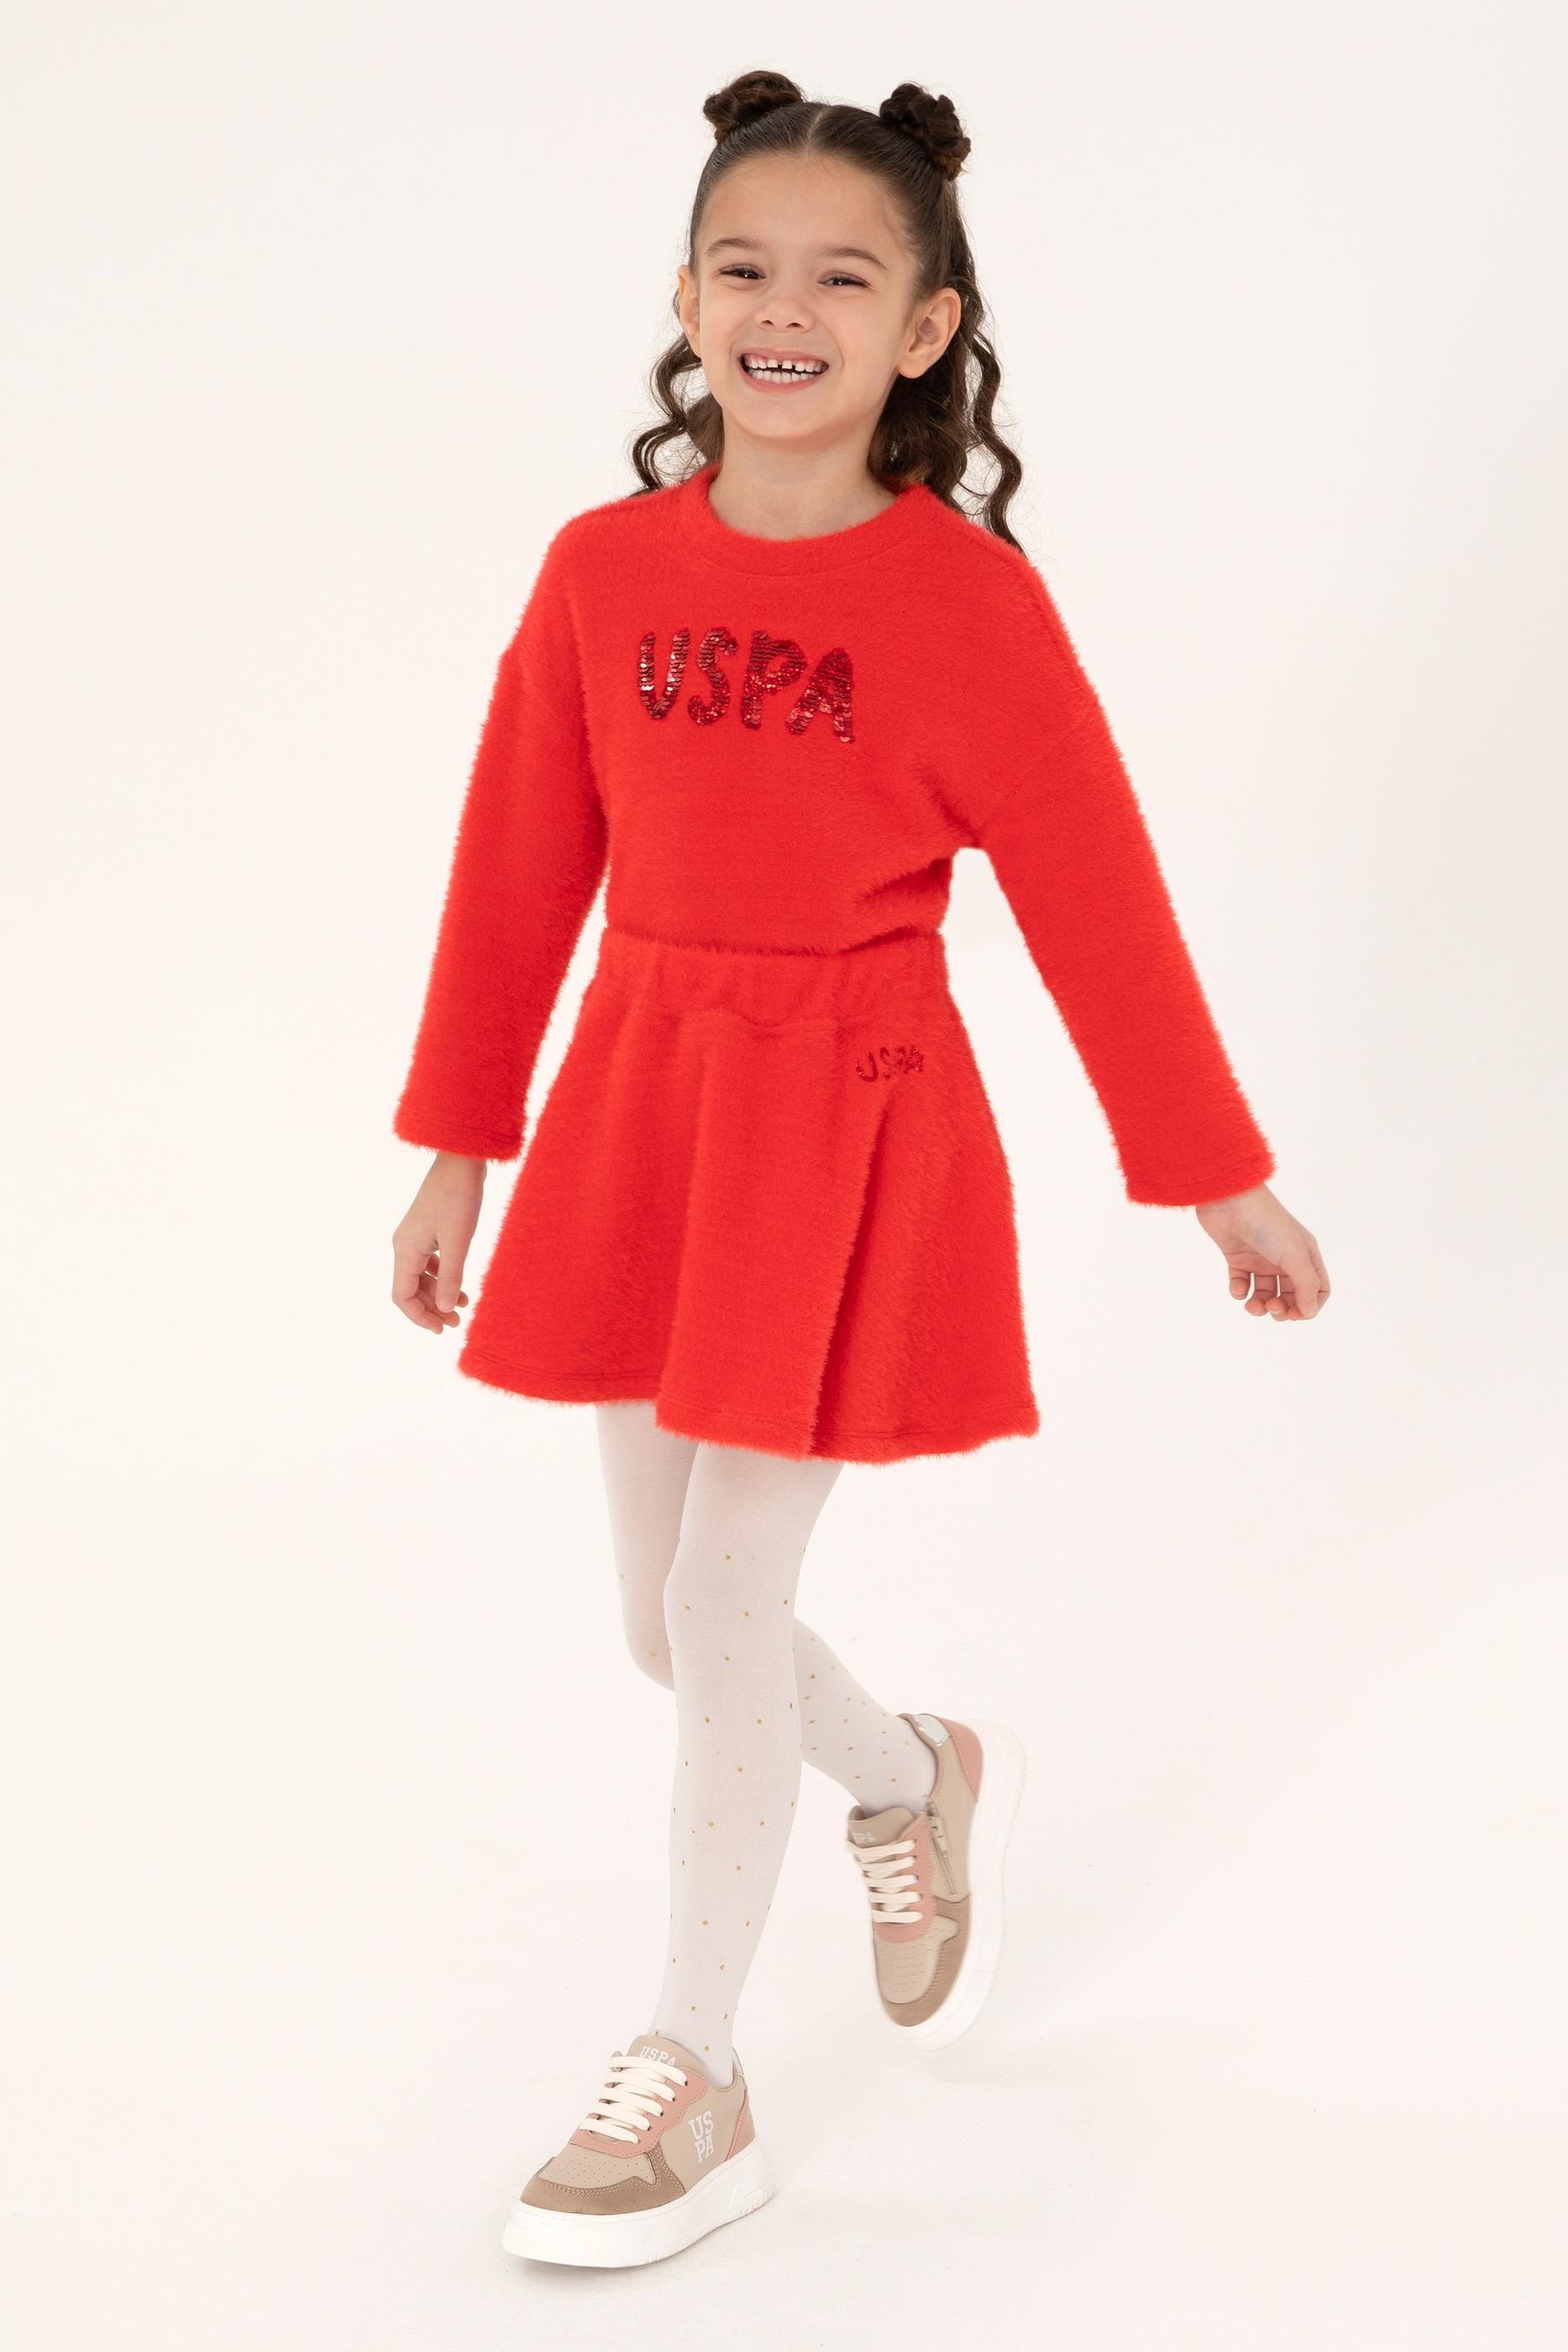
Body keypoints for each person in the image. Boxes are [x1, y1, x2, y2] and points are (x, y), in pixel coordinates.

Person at [389, 68, 1329, 2270]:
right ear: (684, 299)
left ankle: (691, 2069)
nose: (783, 311)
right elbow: (515, 867)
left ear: (924, 327)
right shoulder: (600, 571)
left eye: (840, 276)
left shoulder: (966, 605)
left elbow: (1099, 904)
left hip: (843, 1111)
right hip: (647, 1098)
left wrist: (1215, 1176)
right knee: (663, 1627)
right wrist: (455, 1151)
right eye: (744, 267)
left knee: (725, 1602)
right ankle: (917, 1778)